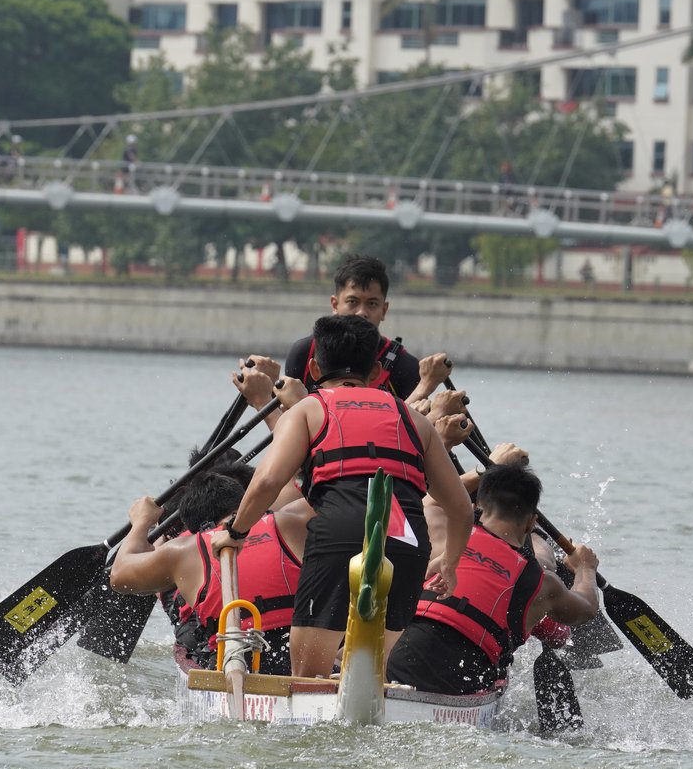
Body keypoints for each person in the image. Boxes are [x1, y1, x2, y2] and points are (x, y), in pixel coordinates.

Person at [212, 314, 474, 679]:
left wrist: (236, 532)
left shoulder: (307, 410)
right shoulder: (417, 421)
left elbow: (269, 481)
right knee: (371, 671)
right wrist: (449, 564)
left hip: (339, 533)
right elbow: (462, 510)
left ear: (315, 366)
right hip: (408, 544)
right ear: (378, 371)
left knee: (306, 677)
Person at [387, 460, 601, 697]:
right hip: (463, 682)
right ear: (530, 522)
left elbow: (433, 500)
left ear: (477, 506)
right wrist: (585, 568)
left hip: (398, 661)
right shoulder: (542, 583)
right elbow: (588, 608)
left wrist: (489, 466)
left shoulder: (444, 538)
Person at [107, 472, 310, 676]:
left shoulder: (184, 549)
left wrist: (141, 522)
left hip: (236, 663)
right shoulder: (292, 519)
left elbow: (118, 576)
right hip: (304, 654)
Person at [259, 253, 444, 404]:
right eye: (352, 302)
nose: (361, 313)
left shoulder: (405, 366)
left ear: (384, 310)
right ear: (335, 304)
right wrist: (268, 390)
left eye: (372, 304)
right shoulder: (304, 352)